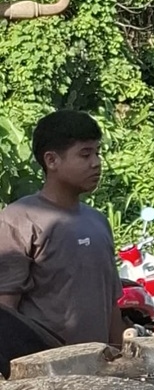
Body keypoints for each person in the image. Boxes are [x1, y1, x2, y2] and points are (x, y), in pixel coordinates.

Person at [0, 110, 123, 348]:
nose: (96, 163)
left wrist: (119, 357)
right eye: (85, 154)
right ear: (51, 160)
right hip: (43, 367)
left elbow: (111, 304)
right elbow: (5, 314)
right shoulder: (18, 221)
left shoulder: (98, 221)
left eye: (97, 153)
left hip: (98, 365)